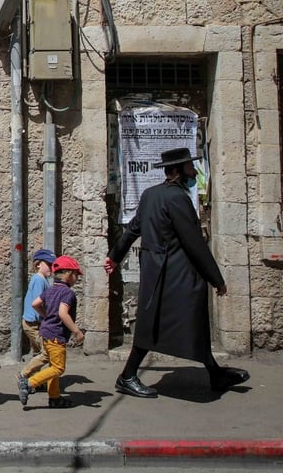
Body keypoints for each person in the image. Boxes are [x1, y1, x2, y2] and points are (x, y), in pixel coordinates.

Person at [104, 146, 250, 397]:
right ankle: (127, 375)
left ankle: (214, 373)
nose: (193, 171)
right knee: (157, 323)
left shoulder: (151, 194)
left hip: (157, 270)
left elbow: (132, 229)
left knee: (189, 319)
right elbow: (193, 242)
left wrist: (114, 256)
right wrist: (217, 280)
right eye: (190, 167)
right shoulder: (177, 198)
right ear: (177, 170)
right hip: (175, 273)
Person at [19, 255, 85, 408]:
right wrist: (77, 331)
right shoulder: (68, 293)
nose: (77, 278)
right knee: (58, 368)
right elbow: (63, 313)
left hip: (45, 332)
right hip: (56, 335)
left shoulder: (51, 289)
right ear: (68, 274)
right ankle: (29, 383)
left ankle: (54, 397)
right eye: (76, 275)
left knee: (52, 365)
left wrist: (46, 315)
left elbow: (35, 304)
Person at [18, 249, 58, 382]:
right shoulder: (39, 280)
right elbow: (37, 304)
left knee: (37, 353)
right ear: (38, 264)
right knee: (46, 353)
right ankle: (24, 376)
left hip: (33, 323)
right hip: (34, 324)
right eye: (49, 264)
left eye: (53, 264)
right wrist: (47, 317)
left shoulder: (43, 280)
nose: (52, 267)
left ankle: (35, 380)